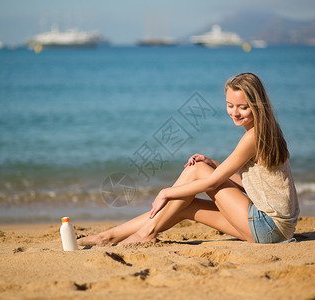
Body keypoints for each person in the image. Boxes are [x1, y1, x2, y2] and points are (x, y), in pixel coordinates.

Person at [78, 72, 299, 246]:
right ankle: (108, 237)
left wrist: (166, 191)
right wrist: (213, 163)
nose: (235, 113)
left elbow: (212, 183)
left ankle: (145, 232)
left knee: (196, 171)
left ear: (257, 104)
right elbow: (250, 184)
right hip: (275, 229)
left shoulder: (253, 137)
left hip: (266, 227)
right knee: (184, 206)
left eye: (243, 107)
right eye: (230, 105)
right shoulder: (268, 130)